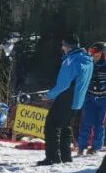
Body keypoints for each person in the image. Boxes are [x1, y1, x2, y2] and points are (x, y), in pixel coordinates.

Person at [40, 35, 93, 166]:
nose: (62, 48)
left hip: (67, 97)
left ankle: (53, 157)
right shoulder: (87, 60)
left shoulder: (71, 61)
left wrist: (50, 95)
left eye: (63, 45)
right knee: (66, 127)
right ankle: (66, 156)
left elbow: (63, 84)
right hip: (78, 100)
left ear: (68, 47)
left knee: (52, 125)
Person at [77, 42, 106, 155]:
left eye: (97, 54)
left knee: (100, 124)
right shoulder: (89, 63)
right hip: (90, 97)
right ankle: (81, 146)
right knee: (86, 122)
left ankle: (95, 147)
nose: (94, 56)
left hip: (104, 99)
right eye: (92, 53)